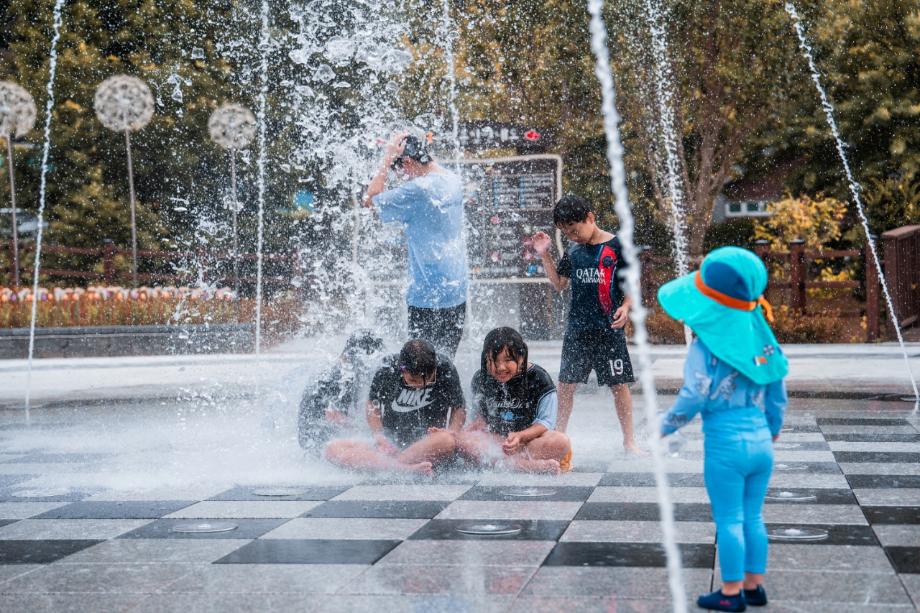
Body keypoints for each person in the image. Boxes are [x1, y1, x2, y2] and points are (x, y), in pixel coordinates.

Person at [658, 247, 788, 612]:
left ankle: (730, 593)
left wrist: (663, 427)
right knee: (754, 515)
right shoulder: (760, 338)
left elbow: (693, 396)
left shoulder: (705, 349)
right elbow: (778, 392)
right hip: (761, 441)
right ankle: (754, 585)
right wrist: (773, 428)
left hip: (725, 448)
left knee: (729, 518)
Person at [532, 194, 642, 454]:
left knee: (619, 385)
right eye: (566, 233)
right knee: (566, 386)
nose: (572, 236)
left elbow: (632, 283)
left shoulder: (617, 247)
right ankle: (558, 437)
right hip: (578, 330)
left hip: (609, 329)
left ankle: (629, 441)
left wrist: (626, 307)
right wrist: (545, 254)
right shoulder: (574, 251)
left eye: (574, 229)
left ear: (590, 218)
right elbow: (559, 284)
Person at [364, 131, 468, 358]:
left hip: (426, 294)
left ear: (408, 162)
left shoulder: (418, 190)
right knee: (446, 364)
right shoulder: (453, 180)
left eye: (399, 170)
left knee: (421, 370)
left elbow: (370, 200)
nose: (402, 178)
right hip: (457, 291)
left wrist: (387, 158)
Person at [325, 339, 465, 475]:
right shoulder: (387, 369)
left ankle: (388, 465)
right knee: (332, 448)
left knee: (448, 440)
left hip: (428, 445)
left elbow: (459, 407)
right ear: (402, 369)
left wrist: (452, 431)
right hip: (392, 445)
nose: (420, 386)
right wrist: (379, 437)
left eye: (428, 379)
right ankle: (403, 468)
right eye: (413, 381)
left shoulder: (445, 367)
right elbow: (373, 406)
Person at [457, 327, 572, 474]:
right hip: (498, 442)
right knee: (461, 440)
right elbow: (481, 419)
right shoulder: (481, 378)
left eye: (508, 360)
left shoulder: (539, 378)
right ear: (486, 358)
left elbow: (546, 422)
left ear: (521, 357)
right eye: (494, 360)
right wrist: (470, 428)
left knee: (561, 441)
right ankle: (527, 466)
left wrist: (520, 436)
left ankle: (503, 464)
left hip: (530, 441)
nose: (501, 367)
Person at [297, 329, 384, 454]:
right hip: (316, 442)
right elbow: (334, 417)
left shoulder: (342, 372)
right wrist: (366, 430)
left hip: (314, 437)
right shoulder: (337, 378)